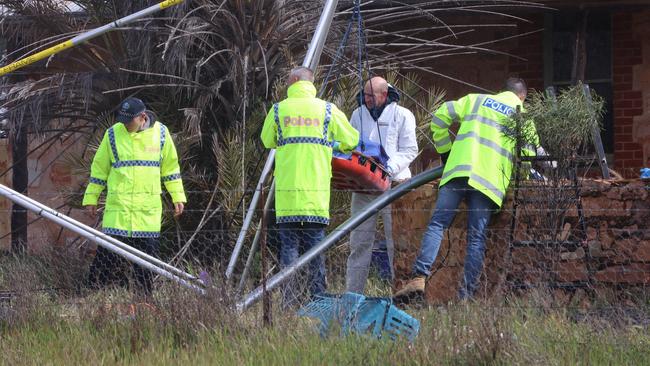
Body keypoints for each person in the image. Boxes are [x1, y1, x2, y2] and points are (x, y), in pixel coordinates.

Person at [394, 77, 538, 301]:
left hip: (457, 172)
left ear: (501, 91)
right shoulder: (523, 116)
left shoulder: (476, 100)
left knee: (438, 224)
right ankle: (466, 297)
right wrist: (518, 179)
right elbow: (528, 155)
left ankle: (418, 278)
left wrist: (446, 153)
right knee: (476, 238)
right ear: (522, 97)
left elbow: (439, 116)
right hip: (488, 182)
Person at [261, 67, 359, 306]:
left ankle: (288, 301)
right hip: (316, 195)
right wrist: (331, 143)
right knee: (316, 248)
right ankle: (318, 299)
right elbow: (352, 140)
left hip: (288, 196)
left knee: (289, 249)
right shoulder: (327, 109)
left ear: (294, 81)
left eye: (287, 80)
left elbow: (267, 140)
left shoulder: (278, 110)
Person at [83, 97, 186, 296]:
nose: (124, 124)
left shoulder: (161, 134)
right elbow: (99, 169)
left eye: (128, 121)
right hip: (118, 213)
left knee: (146, 267)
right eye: (122, 120)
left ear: (142, 117)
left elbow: (171, 168)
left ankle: (145, 303)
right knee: (104, 262)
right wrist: (91, 198)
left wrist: (177, 196)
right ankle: (91, 299)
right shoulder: (112, 134)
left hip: (146, 215)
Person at [345, 76, 418, 294]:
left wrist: (388, 168)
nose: (366, 99)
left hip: (394, 186)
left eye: (371, 95)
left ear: (384, 95)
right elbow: (350, 144)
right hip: (364, 186)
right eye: (364, 94)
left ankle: (400, 294)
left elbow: (409, 149)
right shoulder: (357, 114)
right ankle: (353, 294)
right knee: (359, 242)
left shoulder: (403, 115)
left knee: (396, 243)